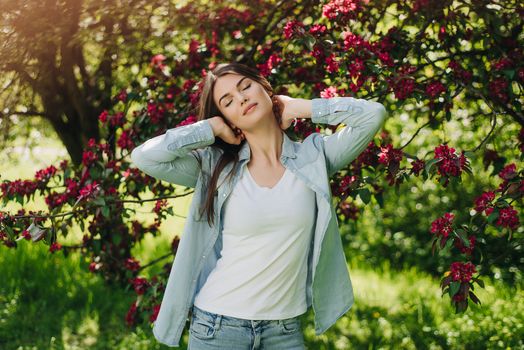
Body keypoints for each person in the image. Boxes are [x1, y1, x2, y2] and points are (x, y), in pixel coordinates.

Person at [130, 62, 387, 349]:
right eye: (227, 102)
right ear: (228, 118)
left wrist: (301, 107)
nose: (240, 99)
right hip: (218, 328)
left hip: (285, 331)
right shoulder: (216, 168)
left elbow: (373, 115)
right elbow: (144, 157)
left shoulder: (314, 157)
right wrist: (210, 128)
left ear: (265, 88)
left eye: (245, 87)